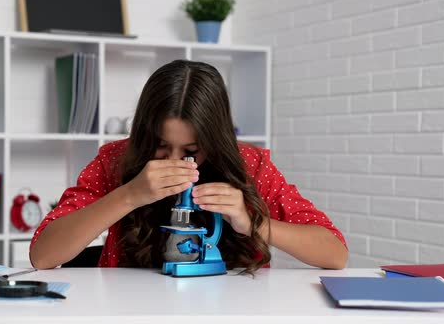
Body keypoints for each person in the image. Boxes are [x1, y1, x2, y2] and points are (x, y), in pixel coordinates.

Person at [30, 60, 348, 273]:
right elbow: (43, 255)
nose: (173, 160)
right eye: (161, 145)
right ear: (144, 133)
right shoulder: (114, 159)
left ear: (215, 140)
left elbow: (335, 253)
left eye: (191, 150)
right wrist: (129, 195)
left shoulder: (251, 164)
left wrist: (252, 222)